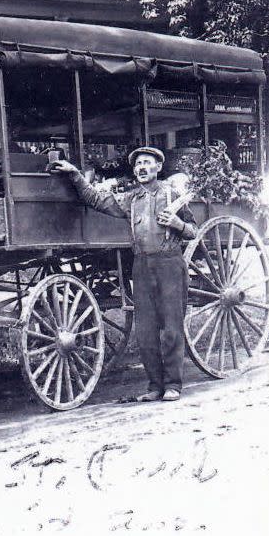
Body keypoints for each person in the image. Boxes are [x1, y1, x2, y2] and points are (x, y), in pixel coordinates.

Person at [51, 147, 197, 402]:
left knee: (171, 328)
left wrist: (177, 224)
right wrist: (75, 173)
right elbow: (95, 199)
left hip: (170, 264)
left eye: (147, 163)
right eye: (138, 163)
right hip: (141, 266)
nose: (141, 167)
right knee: (146, 330)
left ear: (158, 168)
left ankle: (173, 384)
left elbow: (193, 231)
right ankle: (154, 387)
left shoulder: (173, 195)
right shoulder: (131, 199)